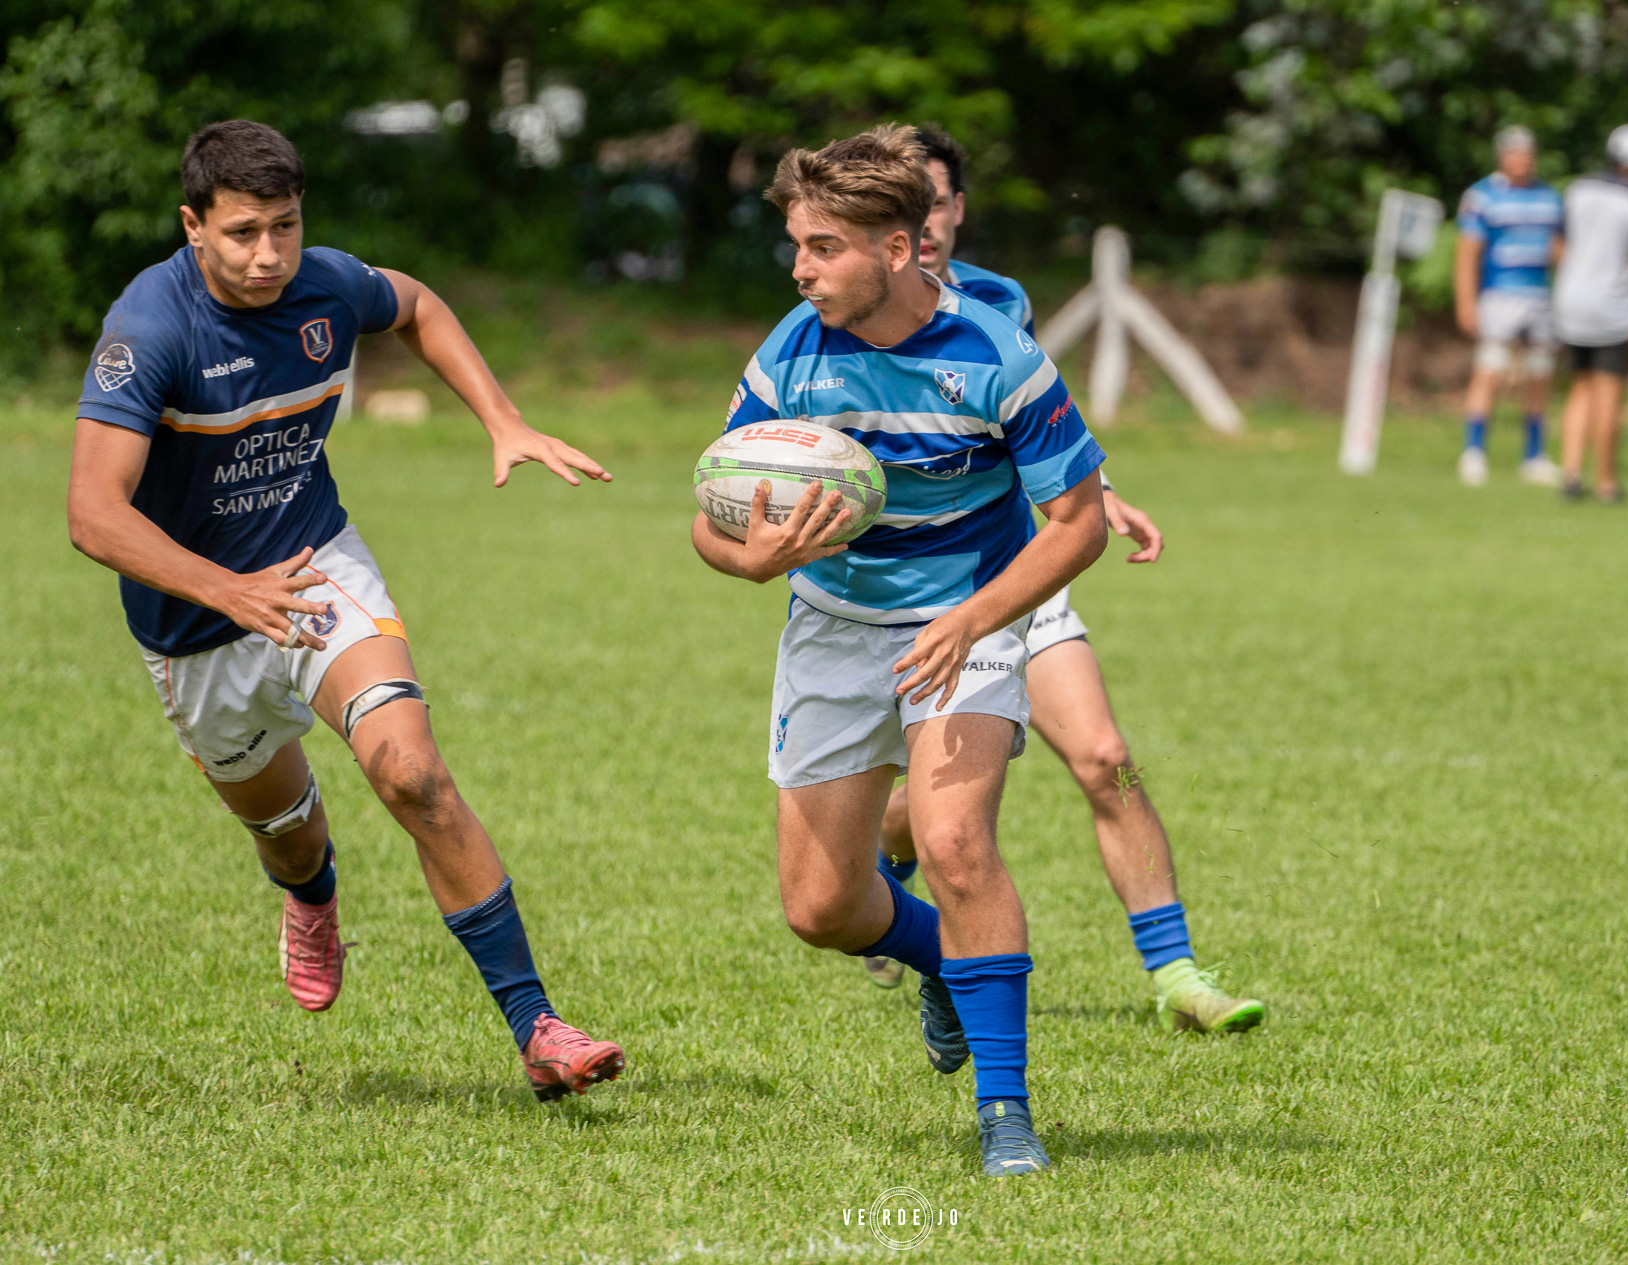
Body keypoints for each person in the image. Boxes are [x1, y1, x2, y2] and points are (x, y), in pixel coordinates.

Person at [67, 120, 624, 1102]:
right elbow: (92, 512)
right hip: (196, 623)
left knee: (412, 773)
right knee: (286, 831)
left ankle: (538, 1026)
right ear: (192, 226)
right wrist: (229, 589)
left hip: (315, 564)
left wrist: (503, 419)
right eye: (242, 232)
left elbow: (417, 304)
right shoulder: (150, 330)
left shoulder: (325, 286)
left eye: (284, 226)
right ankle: (311, 893)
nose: (268, 254)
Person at [692, 125, 1107, 1176]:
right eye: (797, 245)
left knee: (955, 841)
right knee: (821, 907)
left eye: (823, 248)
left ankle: (1006, 1112)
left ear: (898, 248)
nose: (800, 269)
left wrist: (976, 619)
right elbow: (709, 514)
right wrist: (748, 559)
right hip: (832, 625)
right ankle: (940, 958)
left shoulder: (998, 356)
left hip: (967, 621)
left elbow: (1079, 522)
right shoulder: (790, 354)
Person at [859, 128, 1266, 1039]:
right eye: (905, 203)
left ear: (956, 209)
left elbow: (1041, 426)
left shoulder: (1001, 302)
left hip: (1019, 578)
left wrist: (1102, 492)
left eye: (935, 200)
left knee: (1107, 757)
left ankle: (1178, 975)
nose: (924, 221)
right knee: (930, 809)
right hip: (913, 593)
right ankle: (890, 872)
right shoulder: (846, 315)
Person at [1554, 123, 1628, 503]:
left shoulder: (1577, 189)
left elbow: (1557, 248)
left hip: (1570, 303)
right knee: (1609, 392)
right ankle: (1606, 483)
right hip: (1615, 309)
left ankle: (1571, 476)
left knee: (1580, 387)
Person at [1453, 126, 1566, 488]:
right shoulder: (1482, 196)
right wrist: (1466, 302)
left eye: (1526, 153)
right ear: (1501, 156)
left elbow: (1558, 250)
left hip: (1539, 295)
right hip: (1499, 293)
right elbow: (1467, 255)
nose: (1521, 160)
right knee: (1491, 369)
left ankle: (1534, 455)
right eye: (1514, 153)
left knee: (1539, 373)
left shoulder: (1549, 198)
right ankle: (1474, 451)